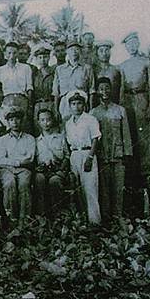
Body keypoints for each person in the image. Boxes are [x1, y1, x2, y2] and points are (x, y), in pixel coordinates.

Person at [90, 77, 132, 224]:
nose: (105, 91)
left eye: (107, 88)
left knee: (119, 187)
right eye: (101, 88)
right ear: (97, 91)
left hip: (118, 154)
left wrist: (127, 153)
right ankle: (107, 217)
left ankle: (118, 215)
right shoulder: (93, 113)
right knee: (104, 188)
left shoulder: (120, 110)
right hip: (102, 155)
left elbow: (126, 133)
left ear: (111, 89)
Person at [119, 32, 150, 182]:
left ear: (138, 43)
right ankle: (132, 173)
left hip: (141, 97)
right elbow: (121, 87)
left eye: (133, 43)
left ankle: (146, 171)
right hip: (127, 99)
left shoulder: (146, 62)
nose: (131, 47)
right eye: (128, 44)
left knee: (143, 136)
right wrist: (121, 105)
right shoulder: (123, 65)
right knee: (129, 135)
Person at [65, 90, 101, 225]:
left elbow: (95, 139)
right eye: (73, 104)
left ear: (84, 105)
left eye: (79, 103)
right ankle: (81, 222)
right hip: (74, 155)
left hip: (87, 154)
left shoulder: (90, 119)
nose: (76, 106)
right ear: (70, 106)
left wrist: (90, 157)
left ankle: (95, 222)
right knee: (77, 188)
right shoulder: (68, 123)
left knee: (90, 188)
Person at [0, 108, 36, 220]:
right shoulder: (3, 140)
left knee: (24, 183)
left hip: (24, 169)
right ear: (8, 122)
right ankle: (11, 217)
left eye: (17, 119)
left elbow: (30, 158)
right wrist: (17, 162)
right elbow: (0, 160)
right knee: (9, 183)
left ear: (22, 121)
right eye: (11, 120)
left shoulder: (29, 139)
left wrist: (14, 162)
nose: (15, 122)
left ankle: (25, 217)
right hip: (7, 170)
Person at [34, 108, 69, 217]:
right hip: (42, 170)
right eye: (43, 120)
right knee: (39, 180)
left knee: (54, 182)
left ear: (53, 120)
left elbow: (67, 156)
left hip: (58, 170)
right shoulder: (36, 141)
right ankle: (41, 215)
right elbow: (33, 160)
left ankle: (57, 215)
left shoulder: (60, 138)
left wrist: (61, 169)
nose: (46, 123)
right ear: (38, 122)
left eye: (48, 119)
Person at [0, 42, 33, 132]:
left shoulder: (26, 68)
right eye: (9, 53)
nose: (12, 56)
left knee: (22, 125)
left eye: (14, 53)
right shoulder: (0, 70)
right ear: (5, 54)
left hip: (22, 99)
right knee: (8, 126)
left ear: (17, 53)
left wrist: (29, 105)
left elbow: (29, 88)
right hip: (6, 100)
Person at [53, 41, 95, 120]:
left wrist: (91, 108)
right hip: (65, 104)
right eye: (71, 49)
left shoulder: (87, 68)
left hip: (81, 103)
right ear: (67, 51)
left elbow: (91, 90)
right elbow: (56, 92)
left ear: (80, 51)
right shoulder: (60, 69)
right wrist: (56, 110)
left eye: (77, 49)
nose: (74, 52)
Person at [32, 45, 56, 134]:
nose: (43, 60)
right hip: (38, 104)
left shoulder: (54, 72)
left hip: (51, 103)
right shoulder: (34, 74)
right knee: (38, 129)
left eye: (45, 57)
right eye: (40, 57)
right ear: (37, 59)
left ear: (49, 57)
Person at [93, 40, 123, 104]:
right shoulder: (93, 70)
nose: (104, 53)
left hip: (114, 103)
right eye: (101, 51)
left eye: (107, 50)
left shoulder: (116, 70)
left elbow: (121, 88)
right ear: (97, 53)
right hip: (97, 105)